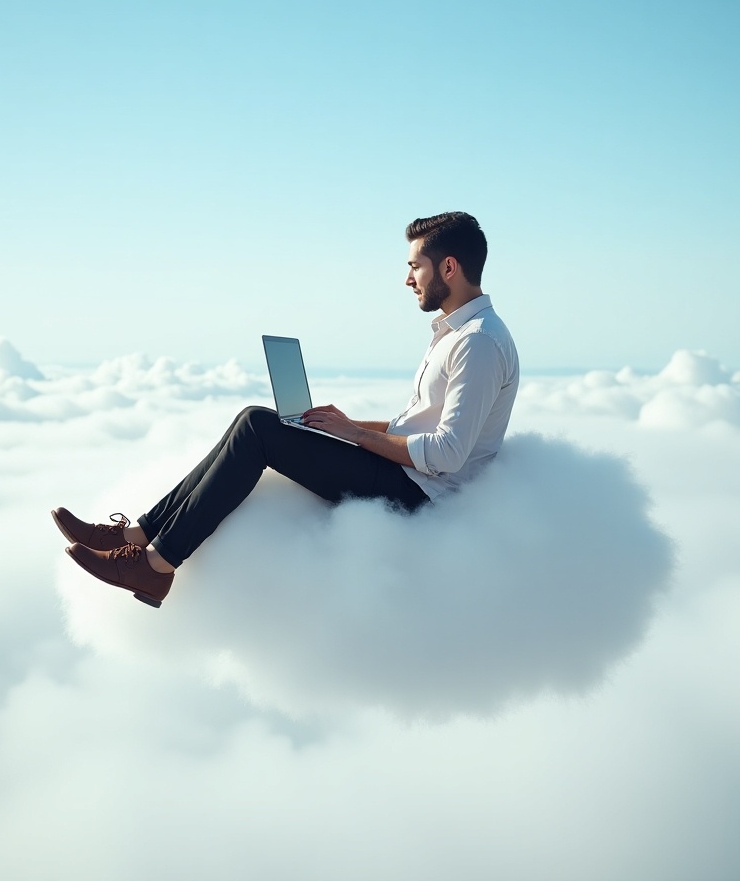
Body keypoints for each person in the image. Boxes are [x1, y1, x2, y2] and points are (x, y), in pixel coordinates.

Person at [53, 211, 519, 607]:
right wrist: (344, 425)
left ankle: (157, 566)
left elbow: (447, 454)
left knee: (259, 427)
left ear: (449, 267)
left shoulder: (477, 343)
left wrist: (355, 436)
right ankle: (135, 537)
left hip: (421, 497)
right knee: (254, 419)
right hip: (407, 475)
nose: (407, 278)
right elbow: (420, 427)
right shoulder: (458, 334)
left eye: (414, 266)